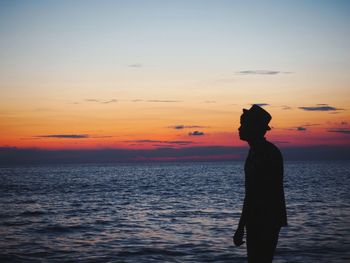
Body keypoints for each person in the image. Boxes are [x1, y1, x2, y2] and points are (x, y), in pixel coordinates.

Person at [233, 104, 287, 263]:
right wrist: (242, 225)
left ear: (254, 128)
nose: (239, 128)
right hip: (259, 219)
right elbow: (250, 194)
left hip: (265, 220)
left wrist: (240, 226)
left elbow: (254, 194)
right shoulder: (256, 152)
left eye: (243, 124)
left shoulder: (266, 153)